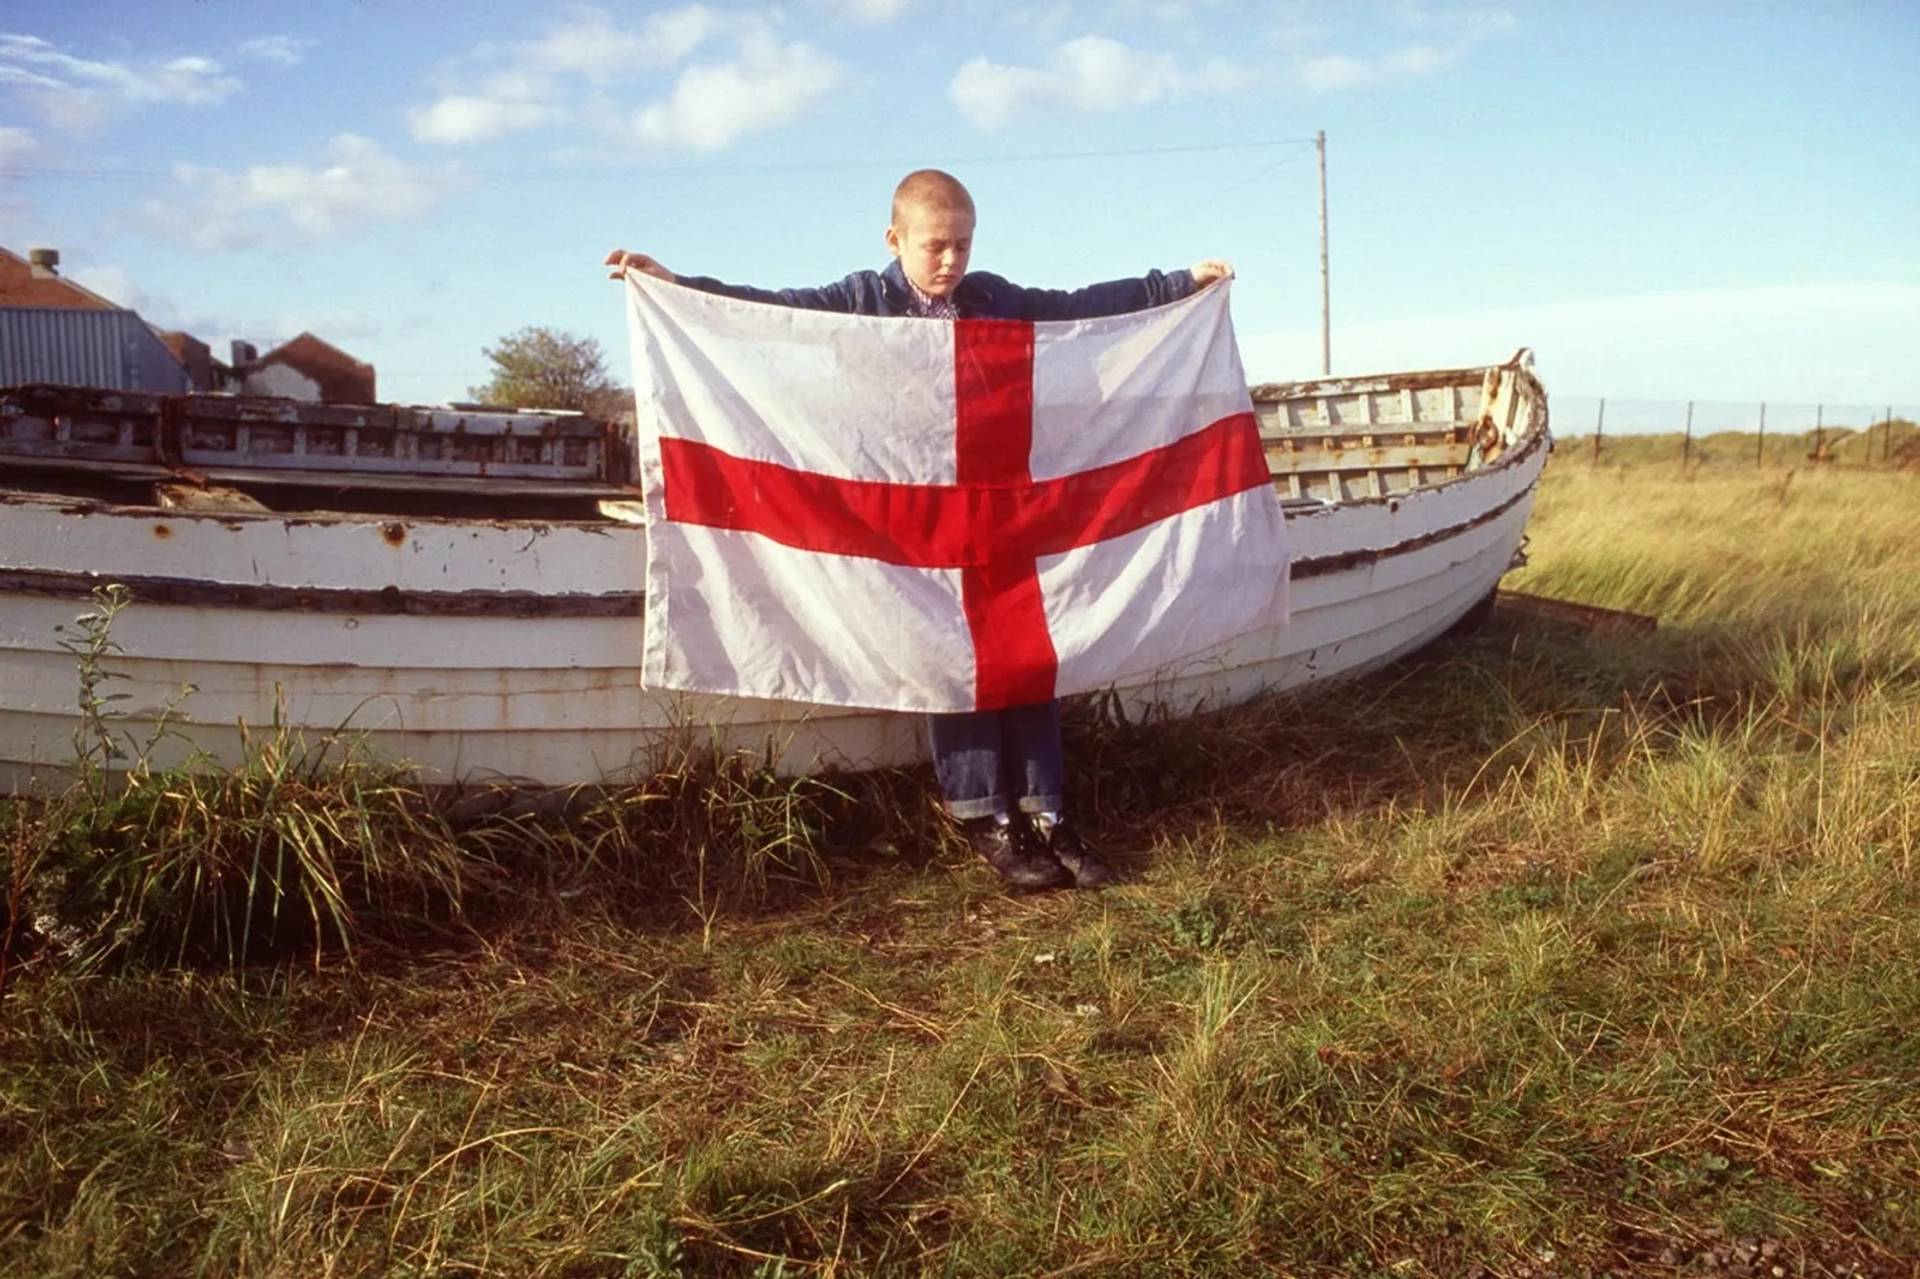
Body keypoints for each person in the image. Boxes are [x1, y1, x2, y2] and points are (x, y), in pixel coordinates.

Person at [607, 168, 1232, 892]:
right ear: (894, 238)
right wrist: (677, 285)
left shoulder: (993, 297)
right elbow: (766, 313)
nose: (951, 262)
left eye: (963, 245)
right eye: (936, 246)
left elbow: (1080, 310)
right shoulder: (856, 304)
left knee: (1027, 655)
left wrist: (1179, 283)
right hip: (905, 525)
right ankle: (988, 819)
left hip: (998, 513)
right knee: (949, 659)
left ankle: (1050, 813)